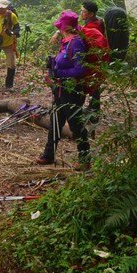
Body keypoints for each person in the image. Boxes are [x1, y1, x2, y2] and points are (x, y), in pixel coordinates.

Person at [37, 11, 90, 170]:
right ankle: (48, 155)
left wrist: (58, 74)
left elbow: (80, 69)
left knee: (76, 125)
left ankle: (85, 160)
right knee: (55, 122)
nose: (58, 29)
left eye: (60, 26)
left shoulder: (76, 43)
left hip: (72, 91)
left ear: (64, 27)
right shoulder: (66, 41)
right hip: (60, 89)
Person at [80, 1, 109, 116]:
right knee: (94, 85)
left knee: (93, 85)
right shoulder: (97, 23)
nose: (81, 13)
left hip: (95, 61)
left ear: (91, 14)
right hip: (97, 60)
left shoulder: (94, 26)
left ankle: (94, 112)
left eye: (84, 11)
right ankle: (93, 109)